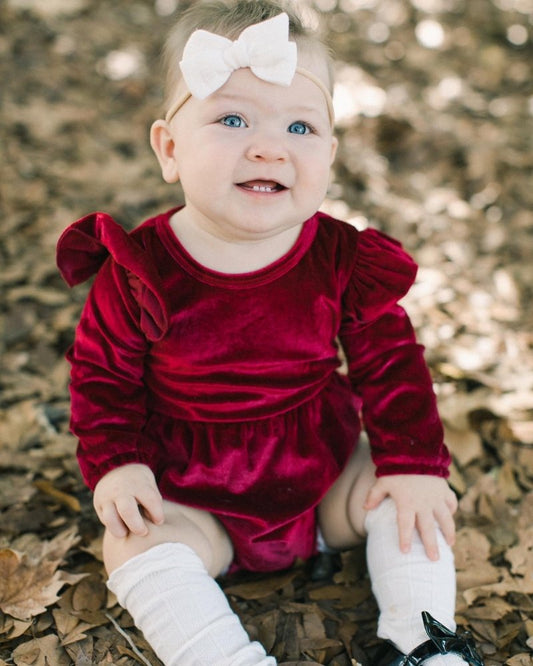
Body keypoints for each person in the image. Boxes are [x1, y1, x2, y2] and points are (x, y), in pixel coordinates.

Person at [56, 2, 484, 665]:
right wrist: (117, 464)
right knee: (132, 541)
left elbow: (390, 361)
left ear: (329, 154)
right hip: (194, 497)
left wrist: (413, 463)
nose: (267, 145)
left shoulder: (340, 258)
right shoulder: (141, 268)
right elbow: (101, 376)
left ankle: (422, 643)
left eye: (299, 126)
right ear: (169, 148)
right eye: (231, 119)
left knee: (404, 490)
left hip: (323, 478)